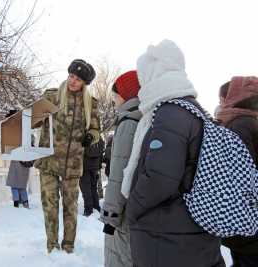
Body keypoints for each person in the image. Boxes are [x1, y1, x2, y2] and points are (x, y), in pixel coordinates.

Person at [123, 40, 224, 267]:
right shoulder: (193, 109)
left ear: (154, 73)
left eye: (143, 76)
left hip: (166, 234)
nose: (140, 84)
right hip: (188, 231)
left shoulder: (171, 112)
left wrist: (133, 209)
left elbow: (160, 177)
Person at [34, 59, 100, 253]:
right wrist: (23, 117)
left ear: (84, 84)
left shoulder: (91, 104)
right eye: (71, 76)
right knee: (50, 205)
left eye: (78, 79)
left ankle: (68, 246)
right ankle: (52, 246)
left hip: (72, 164)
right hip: (48, 161)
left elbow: (96, 129)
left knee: (70, 208)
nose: (72, 81)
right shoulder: (52, 96)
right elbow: (33, 122)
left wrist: (91, 136)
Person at [100, 70, 142, 267]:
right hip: (136, 205)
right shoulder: (144, 117)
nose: (114, 100)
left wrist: (110, 214)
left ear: (125, 95)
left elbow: (119, 173)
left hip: (122, 211)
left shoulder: (128, 123)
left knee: (118, 257)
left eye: (115, 95)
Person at [217, 77, 258, 267]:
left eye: (221, 99)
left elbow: (240, 178)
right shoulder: (250, 122)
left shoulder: (239, 125)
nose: (220, 104)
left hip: (246, 221)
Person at [80, 136, 104, 216]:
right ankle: (96, 206)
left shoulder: (85, 136)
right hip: (95, 167)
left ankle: (88, 209)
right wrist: (99, 166)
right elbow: (101, 153)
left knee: (86, 189)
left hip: (85, 166)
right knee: (93, 187)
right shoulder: (99, 137)